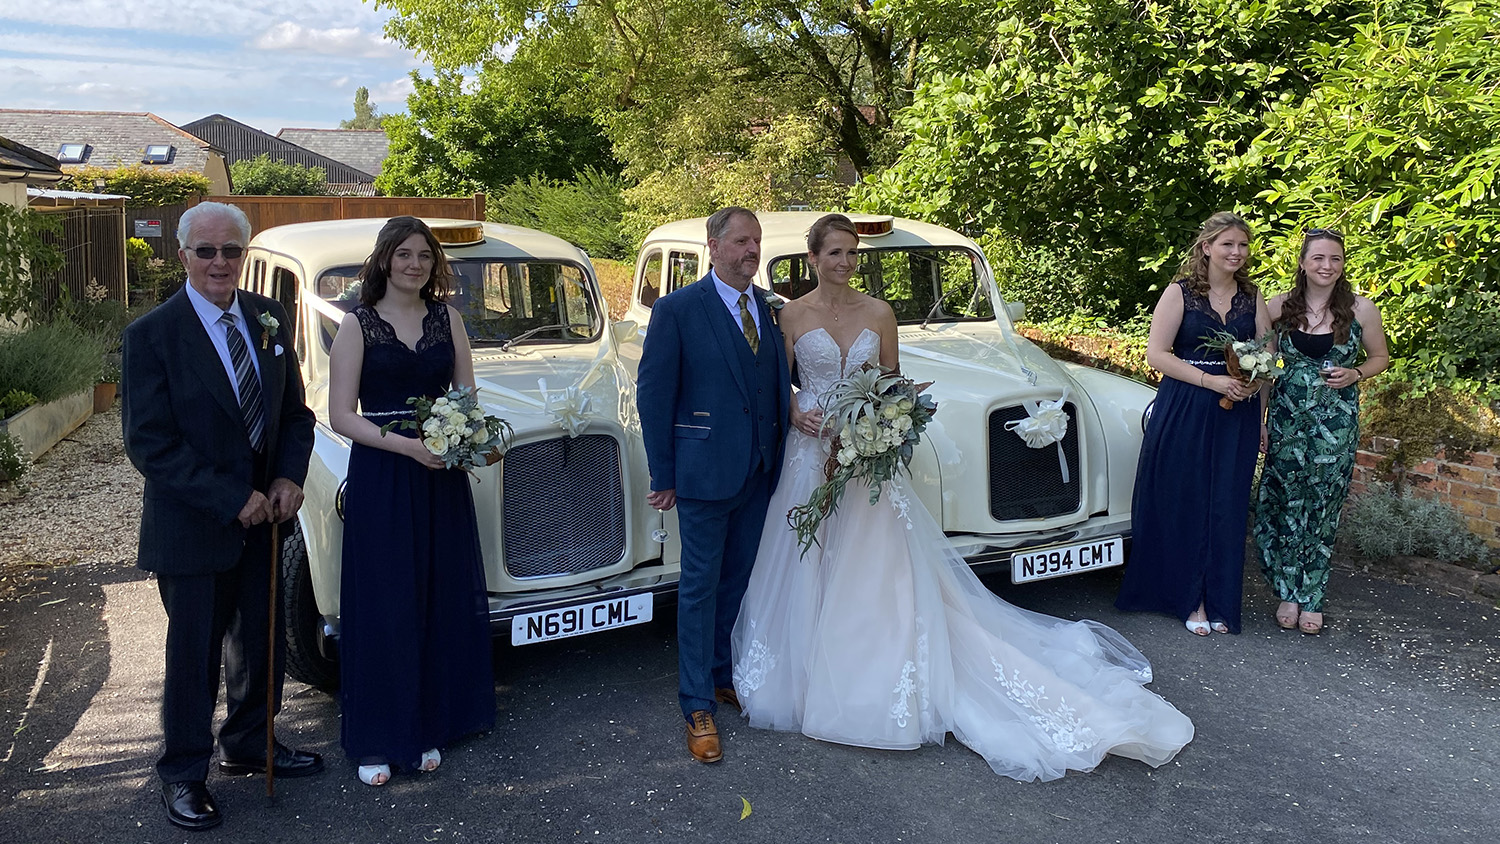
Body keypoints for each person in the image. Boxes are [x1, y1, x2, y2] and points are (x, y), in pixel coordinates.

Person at [729, 214, 1194, 781]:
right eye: (835, 254)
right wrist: (796, 408)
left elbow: (894, 380)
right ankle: (811, 670)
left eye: (852, 254)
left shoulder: (878, 312)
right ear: (814, 258)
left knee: (877, 566)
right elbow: (781, 385)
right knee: (809, 557)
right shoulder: (791, 315)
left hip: (869, 455)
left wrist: (891, 418)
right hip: (813, 453)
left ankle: (877, 662)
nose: (846, 263)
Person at [122, 201, 320, 831]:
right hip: (193, 527)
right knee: (194, 657)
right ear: (181, 255)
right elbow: (149, 443)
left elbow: (295, 414)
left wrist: (289, 476)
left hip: (266, 521)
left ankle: (249, 743)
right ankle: (183, 772)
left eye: (230, 251)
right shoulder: (151, 335)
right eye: (205, 251)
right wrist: (229, 498)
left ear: (244, 255)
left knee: (261, 643)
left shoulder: (269, 317)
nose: (218, 262)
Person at [327, 216, 495, 786]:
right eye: (403, 254)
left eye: (424, 255)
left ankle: (429, 726)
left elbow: (465, 394)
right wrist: (408, 446)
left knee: (435, 595)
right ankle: (379, 735)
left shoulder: (448, 319)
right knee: (386, 599)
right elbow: (341, 414)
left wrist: (474, 440)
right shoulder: (358, 324)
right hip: (383, 472)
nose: (415, 264)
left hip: (439, 473)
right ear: (384, 260)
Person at [636, 206, 793, 763]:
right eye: (742, 241)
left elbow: (777, 385)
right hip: (702, 474)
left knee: (738, 580)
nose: (753, 250)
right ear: (714, 245)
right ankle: (696, 703)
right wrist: (664, 474)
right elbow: (654, 395)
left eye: (757, 242)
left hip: (758, 469)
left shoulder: (769, 309)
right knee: (699, 588)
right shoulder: (678, 309)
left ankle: (723, 675)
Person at [1115, 212, 1271, 635]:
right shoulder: (1178, 293)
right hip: (1185, 405)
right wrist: (1210, 379)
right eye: (1227, 245)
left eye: (1242, 245)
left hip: (1235, 413)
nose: (1236, 253)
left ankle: (1219, 597)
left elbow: (1267, 356)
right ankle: (1190, 598)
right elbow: (1158, 355)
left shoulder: (1252, 296)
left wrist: (1258, 407)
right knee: (1186, 499)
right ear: (1206, 248)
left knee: (1226, 504)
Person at [1254, 229, 1388, 635]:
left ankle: (1311, 594)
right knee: (1282, 504)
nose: (1327, 266)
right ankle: (1286, 590)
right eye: (1318, 258)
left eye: (1335, 258)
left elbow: (1381, 357)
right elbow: (1263, 369)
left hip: (1336, 425)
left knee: (1323, 508)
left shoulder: (1362, 309)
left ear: (1343, 264)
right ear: (1303, 262)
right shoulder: (1277, 307)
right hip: (1286, 422)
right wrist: (1260, 419)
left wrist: (1356, 372)